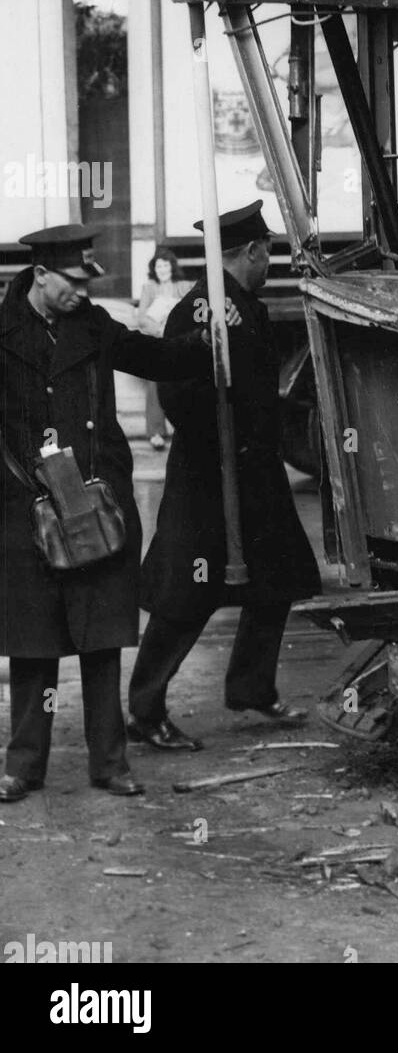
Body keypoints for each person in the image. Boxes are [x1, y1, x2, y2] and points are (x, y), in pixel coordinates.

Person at [0, 225, 226, 804]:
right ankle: (23, 765)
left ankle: (111, 763)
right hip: (25, 509)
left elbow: (156, 357)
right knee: (33, 643)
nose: (82, 291)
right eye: (73, 282)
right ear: (41, 275)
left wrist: (208, 336)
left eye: (86, 281)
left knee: (101, 637)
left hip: (96, 504)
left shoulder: (93, 327)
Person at [127, 201, 321, 751]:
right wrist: (222, 439)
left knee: (278, 578)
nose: (268, 263)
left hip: (255, 472)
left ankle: (251, 687)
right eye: (267, 254)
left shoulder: (245, 306)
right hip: (210, 477)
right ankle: (145, 709)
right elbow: (176, 390)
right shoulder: (202, 310)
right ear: (253, 252)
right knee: (185, 594)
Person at [137, 246, 192, 450]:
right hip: (158, 342)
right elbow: (141, 318)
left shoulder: (184, 286)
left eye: (165, 265)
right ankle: (156, 432)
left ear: (172, 267)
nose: (162, 269)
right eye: (158, 266)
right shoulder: (149, 288)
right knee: (154, 382)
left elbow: (194, 309)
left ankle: (186, 428)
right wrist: (160, 331)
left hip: (180, 340)